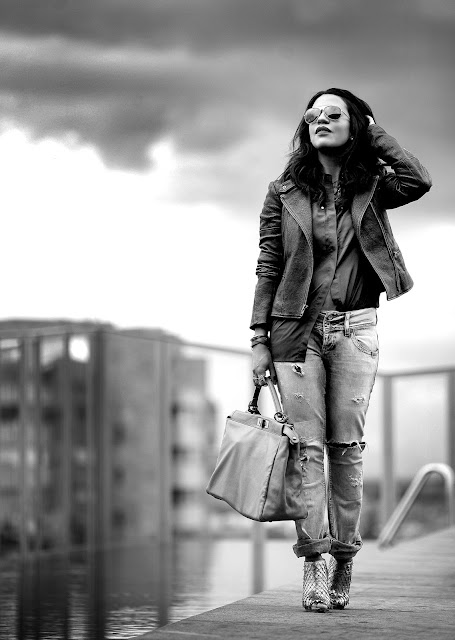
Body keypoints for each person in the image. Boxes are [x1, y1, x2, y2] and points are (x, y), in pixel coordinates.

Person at [250, 88, 431, 612]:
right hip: (295, 332)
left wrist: (374, 133)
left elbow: (419, 179)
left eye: (335, 114)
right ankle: (314, 561)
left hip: (356, 329)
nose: (321, 120)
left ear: (356, 124)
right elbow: (268, 264)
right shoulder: (283, 191)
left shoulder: (374, 184)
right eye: (313, 114)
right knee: (306, 449)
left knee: (345, 447)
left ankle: (345, 555)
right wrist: (259, 338)